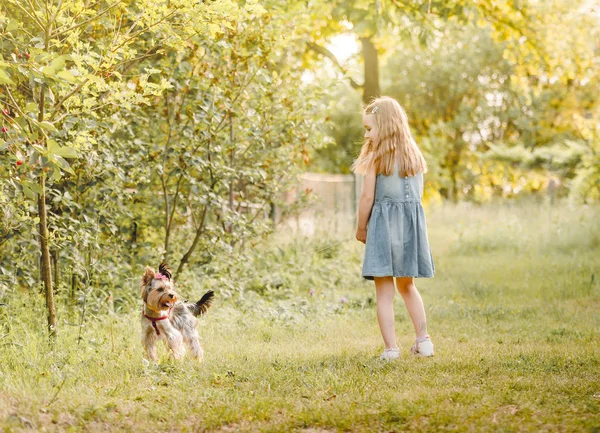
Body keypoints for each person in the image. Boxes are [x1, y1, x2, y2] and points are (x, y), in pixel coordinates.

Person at [353, 96, 435, 360]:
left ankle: (391, 350)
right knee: (407, 286)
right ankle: (424, 342)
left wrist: (361, 228)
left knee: (384, 292)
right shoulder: (414, 154)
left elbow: (367, 198)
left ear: (385, 125)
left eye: (369, 128)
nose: (367, 135)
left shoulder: (378, 158)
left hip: (384, 229)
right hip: (411, 230)